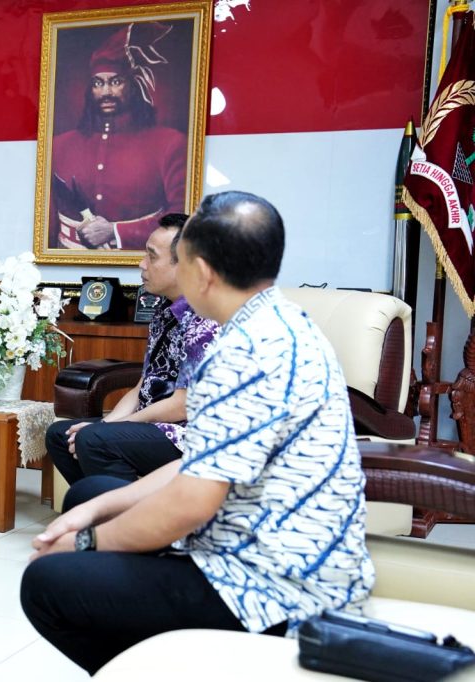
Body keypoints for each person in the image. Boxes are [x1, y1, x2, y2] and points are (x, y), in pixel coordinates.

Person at [21, 191, 374, 674]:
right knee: (90, 494)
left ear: (202, 272)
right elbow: (199, 462)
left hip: (273, 588)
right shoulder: (280, 321)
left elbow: (192, 502)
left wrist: (87, 542)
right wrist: (98, 512)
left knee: (47, 583)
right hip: (251, 545)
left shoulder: (245, 351)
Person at [46, 213, 217, 485]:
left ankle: (128, 511)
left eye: (152, 256)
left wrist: (116, 426)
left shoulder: (206, 318)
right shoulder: (163, 308)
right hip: (153, 426)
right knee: (61, 435)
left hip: (190, 435)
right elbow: (143, 386)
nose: (141, 263)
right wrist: (106, 424)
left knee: (93, 439)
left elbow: (182, 406)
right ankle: (96, 504)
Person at [50, 22, 187, 251]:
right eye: (98, 83)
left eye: (115, 82)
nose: (106, 92)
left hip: (140, 259)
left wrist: (116, 232)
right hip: (67, 258)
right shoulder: (59, 145)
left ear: (132, 86)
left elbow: (181, 215)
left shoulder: (169, 143)